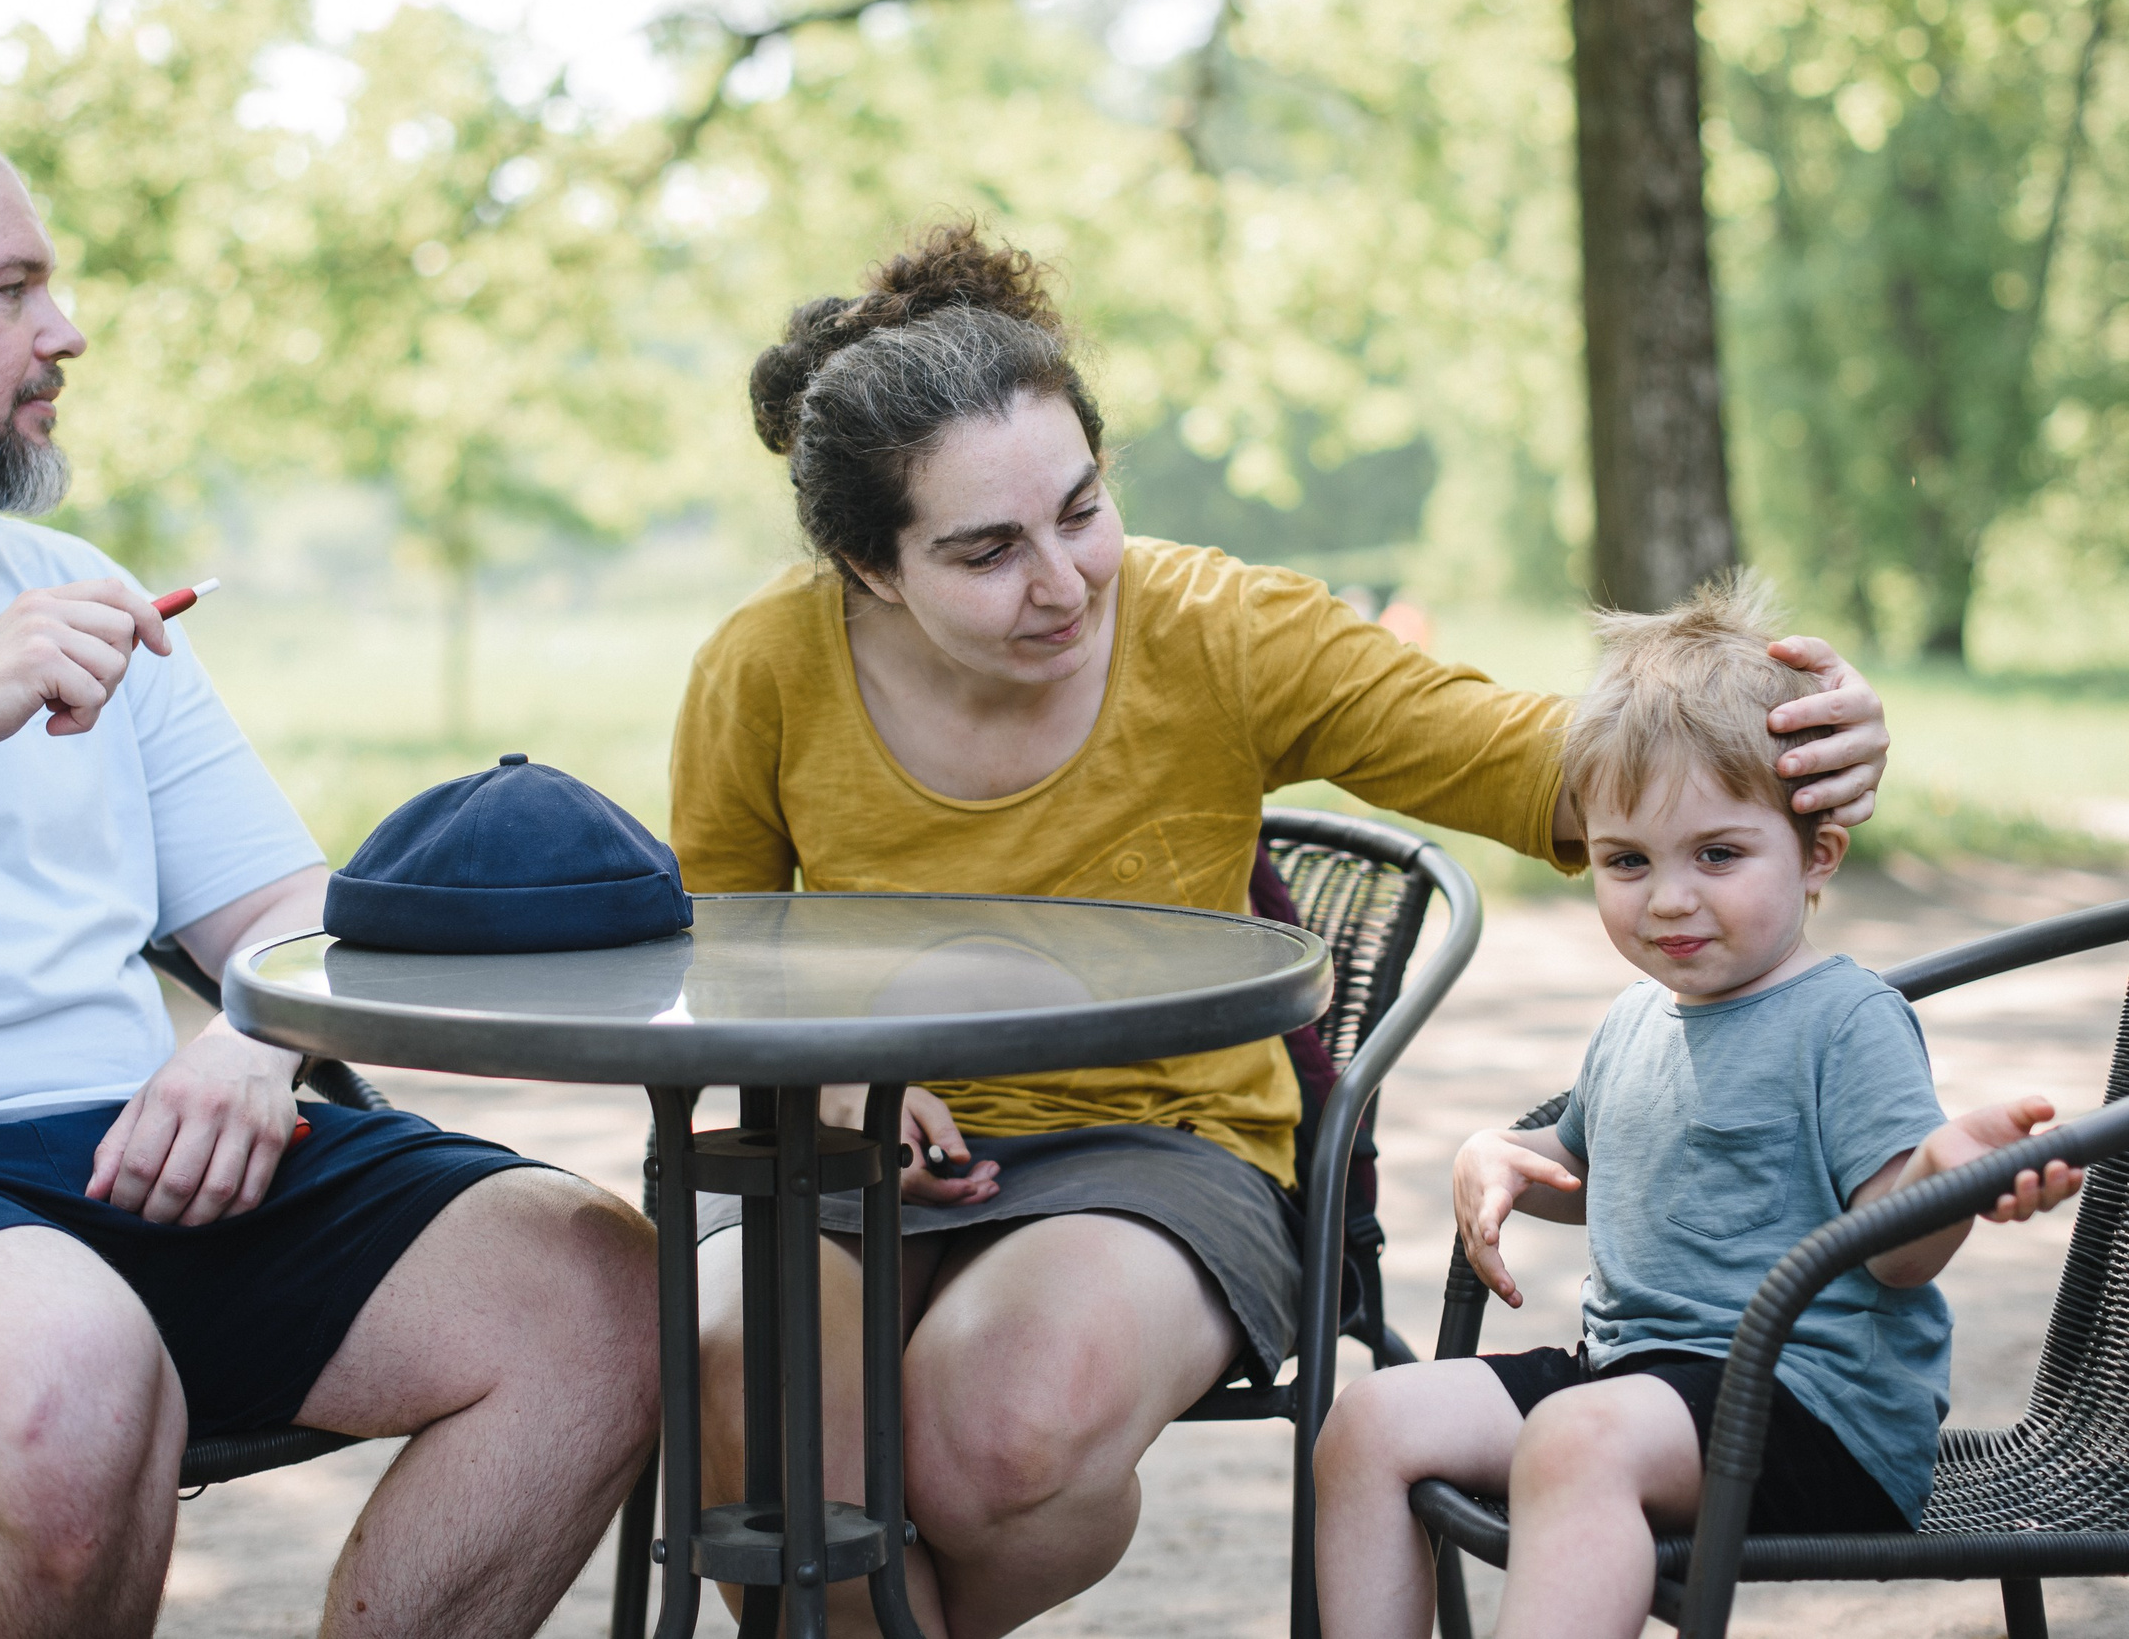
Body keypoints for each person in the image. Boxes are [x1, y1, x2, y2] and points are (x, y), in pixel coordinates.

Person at [666, 221, 1900, 1639]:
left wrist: (1792, 728)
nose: (1065, 581)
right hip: (864, 1137)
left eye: (1081, 509)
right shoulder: (764, 667)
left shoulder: (1219, 627)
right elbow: (720, 941)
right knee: (736, 1378)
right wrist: (821, 1077)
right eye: (987, 550)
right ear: (869, 567)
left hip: (1158, 1147)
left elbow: (1526, 755)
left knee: (994, 1434)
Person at [0, 107, 656, 1639]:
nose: (63, 332)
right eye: (10, 290)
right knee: (64, 1371)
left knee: (599, 1287)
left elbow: (290, 913)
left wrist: (253, 1041)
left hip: (113, 1165)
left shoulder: (76, 591)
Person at [1311, 577, 2083, 1639]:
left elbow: (1896, 1251)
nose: (1668, 896)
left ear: (1816, 853)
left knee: (1576, 1441)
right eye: (1628, 860)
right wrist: (1495, 1152)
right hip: (1633, 1383)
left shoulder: (1844, 1019)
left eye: (1717, 854)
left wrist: (1953, 1164)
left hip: (1810, 1411)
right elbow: (1589, 1171)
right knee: (1368, 1419)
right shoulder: (1638, 1017)